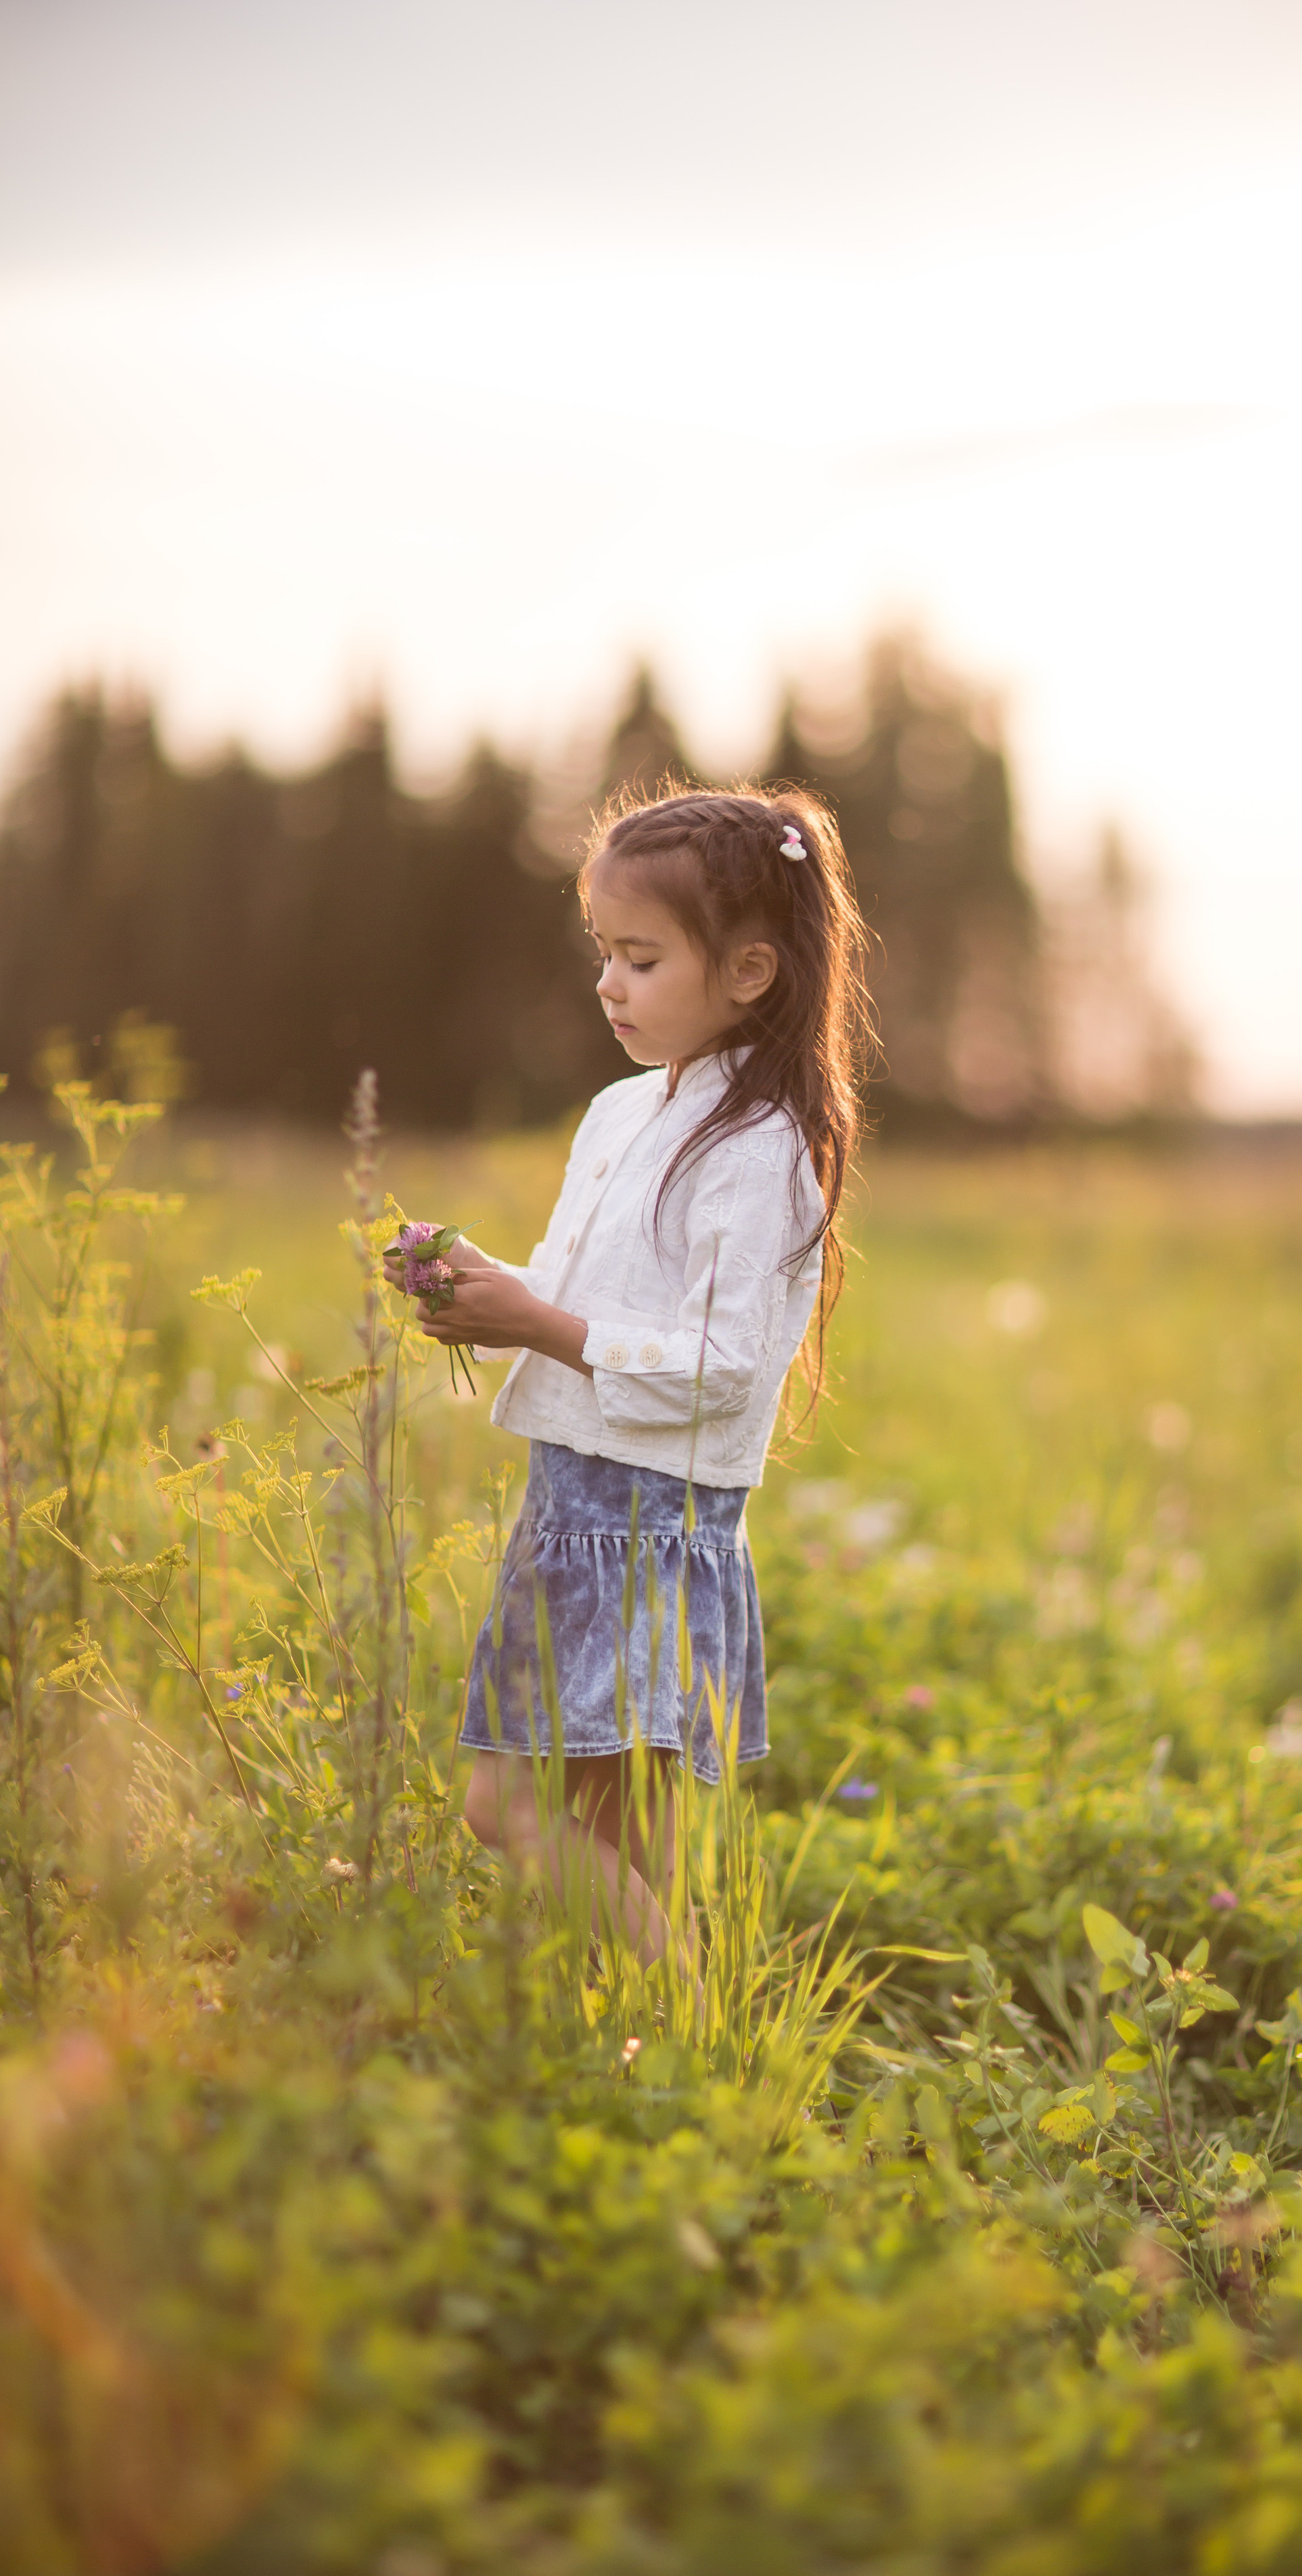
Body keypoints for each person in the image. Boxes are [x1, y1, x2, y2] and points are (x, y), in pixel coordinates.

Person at [408, 787, 872, 1967]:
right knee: (616, 1842)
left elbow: (722, 1373)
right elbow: (589, 1304)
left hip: (651, 1523)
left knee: (507, 1807)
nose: (609, 984)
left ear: (752, 970)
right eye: (603, 954)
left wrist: (542, 1325)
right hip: (571, 1509)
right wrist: (486, 1296)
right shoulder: (621, 1114)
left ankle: (691, 2007)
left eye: (643, 958)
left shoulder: (761, 1153)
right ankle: (654, 2058)